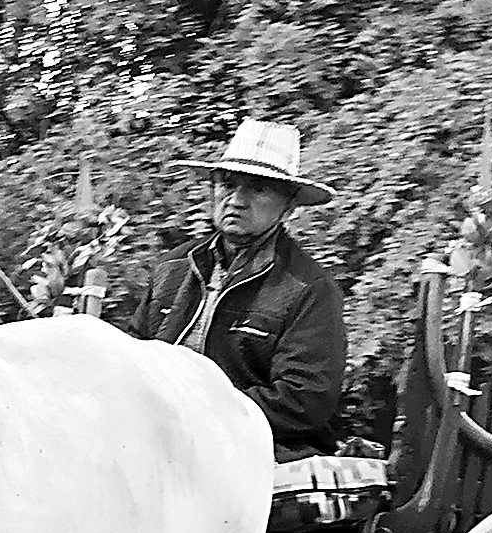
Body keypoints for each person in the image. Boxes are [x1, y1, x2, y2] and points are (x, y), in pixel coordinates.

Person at [119, 119, 346, 461]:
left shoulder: (309, 288)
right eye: (228, 184)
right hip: (154, 440)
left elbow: (303, 400)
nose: (237, 200)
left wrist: (200, 415)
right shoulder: (172, 269)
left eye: (258, 189)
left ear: (289, 205)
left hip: (251, 454)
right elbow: (132, 354)